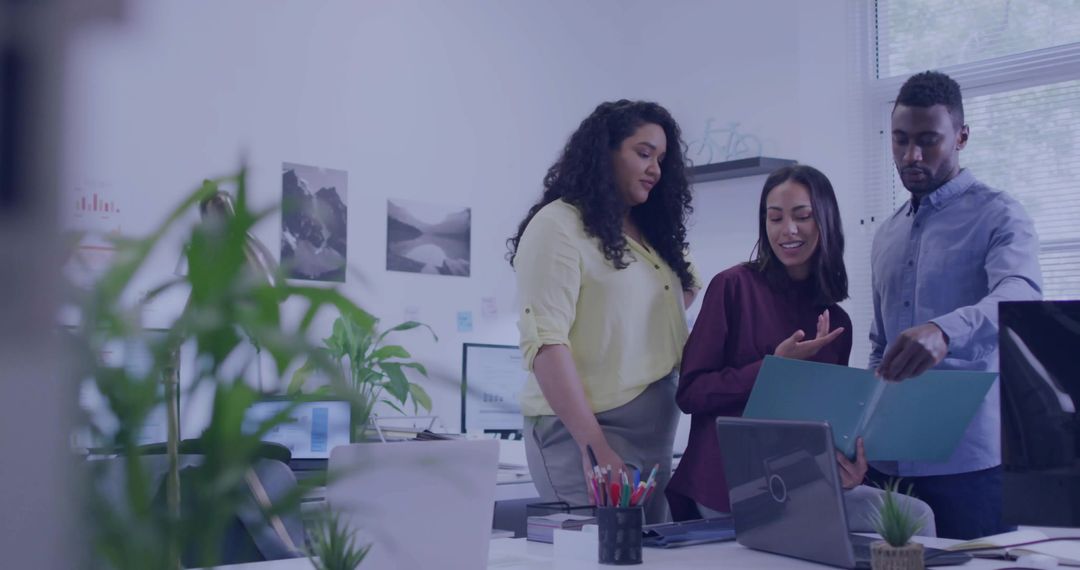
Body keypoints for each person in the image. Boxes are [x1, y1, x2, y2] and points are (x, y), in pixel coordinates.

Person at [667, 164, 936, 536]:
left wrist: (848, 466)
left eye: (802, 216)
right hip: (726, 487)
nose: (787, 230)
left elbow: (823, 426)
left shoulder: (836, 319)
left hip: (797, 486)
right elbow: (691, 393)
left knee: (916, 516)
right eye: (774, 218)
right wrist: (774, 368)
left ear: (823, 220)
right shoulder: (733, 287)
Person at [867, 71, 1043, 539]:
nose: (912, 156)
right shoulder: (886, 233)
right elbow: (878, 343)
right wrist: (859, 430)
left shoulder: (1000, 214)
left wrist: (944, 331)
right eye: (901, 140)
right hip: (886, 466)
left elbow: (1021, 296)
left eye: (929, 141)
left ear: (961, 136)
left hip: (969, 468)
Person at [507, 100, 700, 523]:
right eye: (643, 153)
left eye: (662, 159)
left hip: (654, 439)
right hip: (586, 435)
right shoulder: (557, 226)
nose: (655, 169)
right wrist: (594, 446)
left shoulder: (652, 234)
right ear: (604, 152)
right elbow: (545, 344)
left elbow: (680, 291)